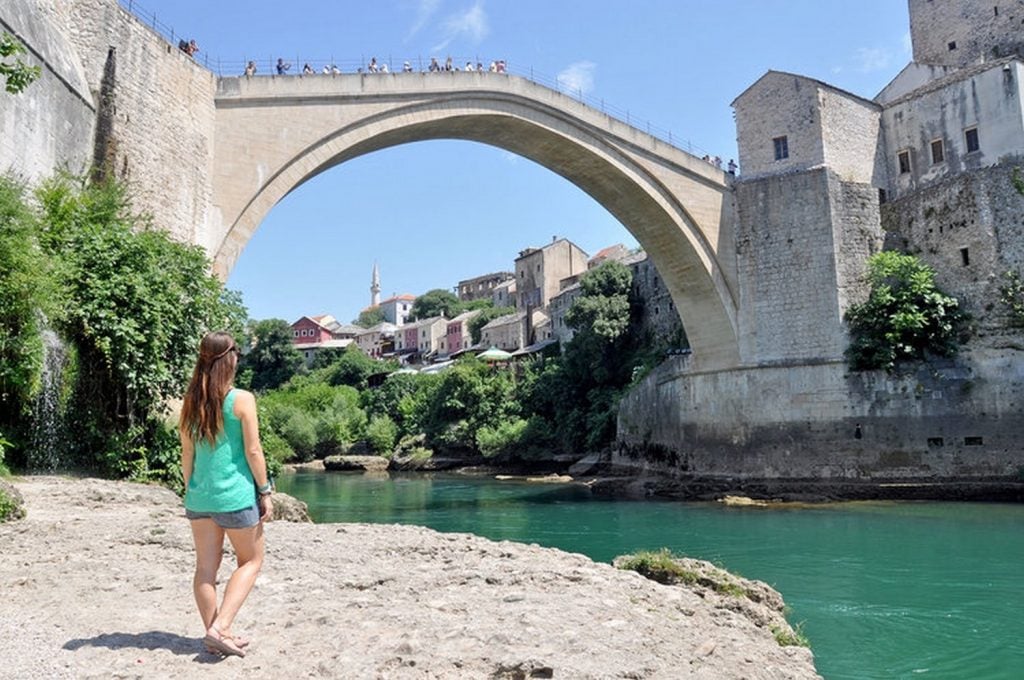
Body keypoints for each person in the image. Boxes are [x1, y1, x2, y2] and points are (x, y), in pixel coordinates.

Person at [180, 331, 273, 658]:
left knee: (206, 568)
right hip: (234, 497)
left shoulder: (190, 401)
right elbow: (253, 450)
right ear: (230, 358)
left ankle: (215, 633)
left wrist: (193, 489)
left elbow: (187, 455)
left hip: (198, 497)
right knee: (251, 560)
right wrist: (265, 490)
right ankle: (220, 629)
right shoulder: (242, 399)